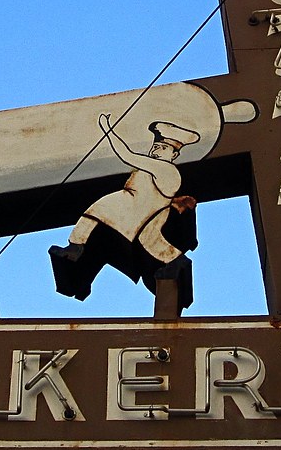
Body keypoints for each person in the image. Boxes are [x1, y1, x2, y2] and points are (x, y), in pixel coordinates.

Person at [49, 114, 200, 308]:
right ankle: (76, 257)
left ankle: (175, 270)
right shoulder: (149, 169)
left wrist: (108, 130)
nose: (156, 151)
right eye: (155, 146)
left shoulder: (167, 171)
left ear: (174, 155)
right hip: (123, 215)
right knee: (97, 228)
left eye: (163, 148)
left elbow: (127, 156)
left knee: (154, 247)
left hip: (139, 217)